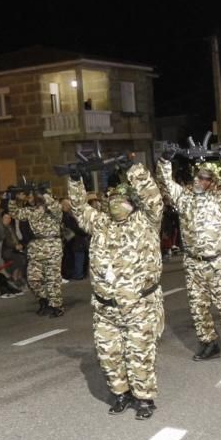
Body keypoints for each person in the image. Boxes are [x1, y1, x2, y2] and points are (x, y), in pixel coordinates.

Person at [65, 156, 164, 419]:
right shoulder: (100, 224)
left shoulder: (146, 221)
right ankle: (121, 393)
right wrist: (75, 180)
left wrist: (131, 167)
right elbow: (78, 208)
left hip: (138, 305)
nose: (115, 202)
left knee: (139, 353)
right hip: (105, 307)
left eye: (122, 198)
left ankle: (144, 399)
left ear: (132, 202)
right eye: (112, 199)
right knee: (108, 354)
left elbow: (152, 194)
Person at [156, 146, 221, 364]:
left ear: (214, 181)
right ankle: (209, 344)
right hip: (193, 263)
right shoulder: (184, 198)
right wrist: (164, 160)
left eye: (207, 178)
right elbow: (165, 184)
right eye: (199, 177)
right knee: (198, 307)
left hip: (218, 262)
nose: (201, 181)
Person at [10, 184, 65, 317]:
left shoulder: (52, 209)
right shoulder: (31, 210)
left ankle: (56, 306)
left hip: (52, 245)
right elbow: (15, 213)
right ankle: (43, 299)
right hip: (36, 246)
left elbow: (57, 207)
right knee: (33, 279)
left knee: (52, 279)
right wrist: (13, 198)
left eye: (31, 196)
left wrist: (44, 194)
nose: (29, 198)